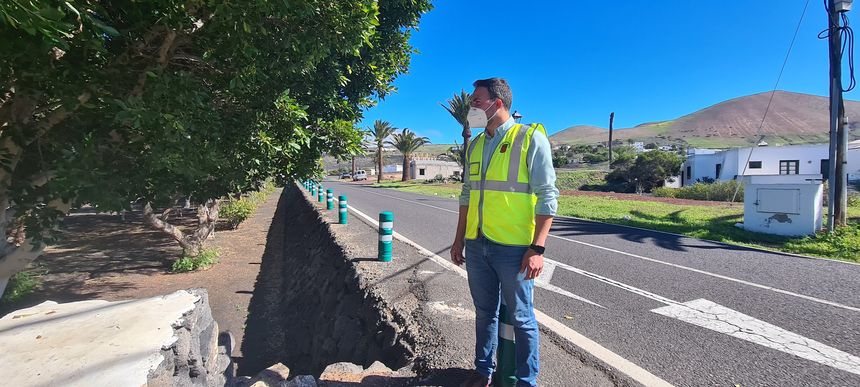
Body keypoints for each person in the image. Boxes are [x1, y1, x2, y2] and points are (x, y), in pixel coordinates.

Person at [450, 77, 559, 387]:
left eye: (476, 101)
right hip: (477, 243)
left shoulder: (529, 138)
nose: (471, 106)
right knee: (484, 313)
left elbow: (548, 196)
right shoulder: (475, 144)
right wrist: (459, 240)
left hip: (514, 249)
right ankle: (483, 371)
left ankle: (526, 381)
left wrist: (537, 248)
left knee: (522, 318)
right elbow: (467, 196)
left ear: (497, 104)